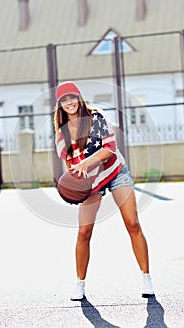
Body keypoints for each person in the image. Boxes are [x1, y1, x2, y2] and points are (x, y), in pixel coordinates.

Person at [54, 81, 154, 300]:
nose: (69, 103)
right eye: (64, 100)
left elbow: (109, 149)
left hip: (115, 171)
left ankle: (147, 278)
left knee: (133, 223)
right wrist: (73, 187)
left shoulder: (96, 117)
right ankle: (79, 284)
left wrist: (85, 163)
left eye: (72, 97)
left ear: (79, 98)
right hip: (90, 183)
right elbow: (71, 169)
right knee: (84, 232)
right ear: (59, 105)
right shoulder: (61, 136)